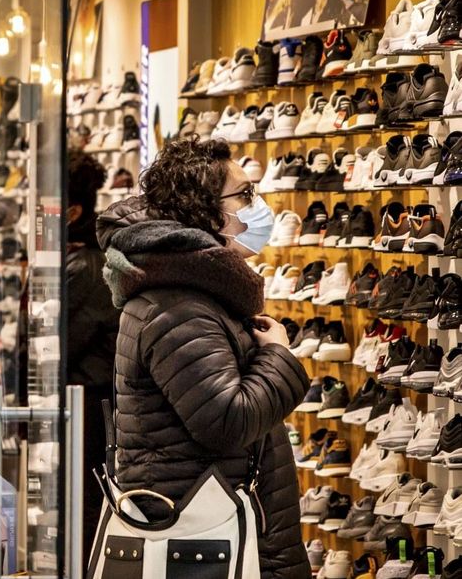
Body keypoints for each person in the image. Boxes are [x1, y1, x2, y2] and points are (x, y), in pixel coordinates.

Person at [95, 137, 310, 578]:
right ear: (206, 210)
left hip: (222, 528)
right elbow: (227, 420)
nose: (258, 206)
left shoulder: (195, 293)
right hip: (206, 539)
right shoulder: (179, 306)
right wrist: (278, 357)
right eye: (245, 195)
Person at [64, 151, 118, 563]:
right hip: (87, 402)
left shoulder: (81, 267)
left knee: (82, 505)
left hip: (86, 406)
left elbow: (60, 345)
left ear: (72, 211)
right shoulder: (83, 259)